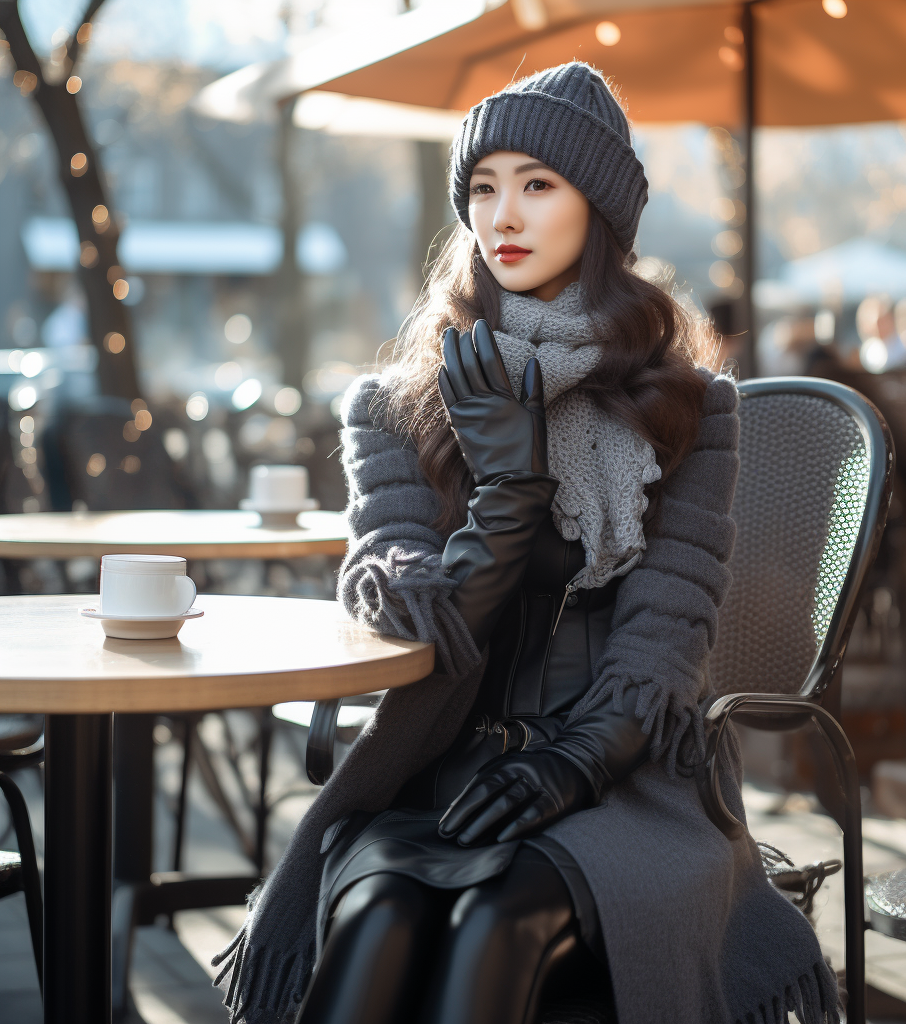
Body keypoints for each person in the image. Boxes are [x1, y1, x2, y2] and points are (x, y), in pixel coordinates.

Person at [212, 63, 839, 1024]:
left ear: (600, 212)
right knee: (375, 926)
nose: (502, 213)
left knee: (496, 931)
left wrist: (574, 761)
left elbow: (670, 635)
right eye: (482, 186)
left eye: (537, 184)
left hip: (624, 779)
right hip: (442, 768)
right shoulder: (393, 406)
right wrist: (510, 489)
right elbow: (423, 631)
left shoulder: (691, 405)